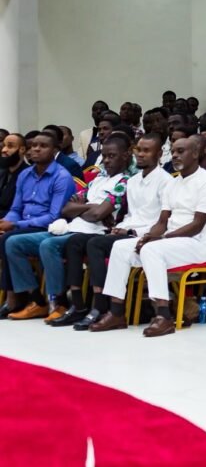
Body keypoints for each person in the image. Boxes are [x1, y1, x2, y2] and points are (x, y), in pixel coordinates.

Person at [92, 137, 206, 337]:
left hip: (198, 244)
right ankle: (116, 312)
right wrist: (147, 236)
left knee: (151, 250)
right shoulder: (173, 183)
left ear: (195, 154)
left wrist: (161, 239)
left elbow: (196, 226)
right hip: (170, 242)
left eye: (181, 151)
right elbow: (162, 222)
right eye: (173, 151)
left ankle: (163, 315)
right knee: (120, 247)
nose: (175, 155)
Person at [70, 133, 172, 330]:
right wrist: (120, 227)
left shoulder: (166, 181)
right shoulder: (133, 181)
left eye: (147, 151)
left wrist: (131, 231)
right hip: (128, 231)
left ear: (159, 154)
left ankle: (103, 307)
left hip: (149, 235)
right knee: (81, 241)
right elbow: (133, 214)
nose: (140, 154)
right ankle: (98, 308)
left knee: (96, 244)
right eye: (138, 150)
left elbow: (162, 221)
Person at [31, 135, 134, 325]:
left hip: (98, 231)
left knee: (67, 244)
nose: (106, 160)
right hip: (75, 228)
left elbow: (98, 214)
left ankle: (73, 303)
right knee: (70, 242)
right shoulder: (97, 181)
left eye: (112, 156)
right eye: (104, 156)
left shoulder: (125, 182)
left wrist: (85, 209)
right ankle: (77, 306)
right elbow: (66, 208)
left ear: (126, 156)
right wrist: (90, 207)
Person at [0, 131, 76, 319]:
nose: (36, 149)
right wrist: (6, 222)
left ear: (55, 150)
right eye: (33, 145)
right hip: (25, 226)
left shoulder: (61, 176)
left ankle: (31, 299)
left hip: (49, 228)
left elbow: (54, 216)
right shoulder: (25, 175)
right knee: (7, 237)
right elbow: (16, 208)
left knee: (9, 240)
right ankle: (35, 300)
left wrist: (15, 224)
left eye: (43, 146)